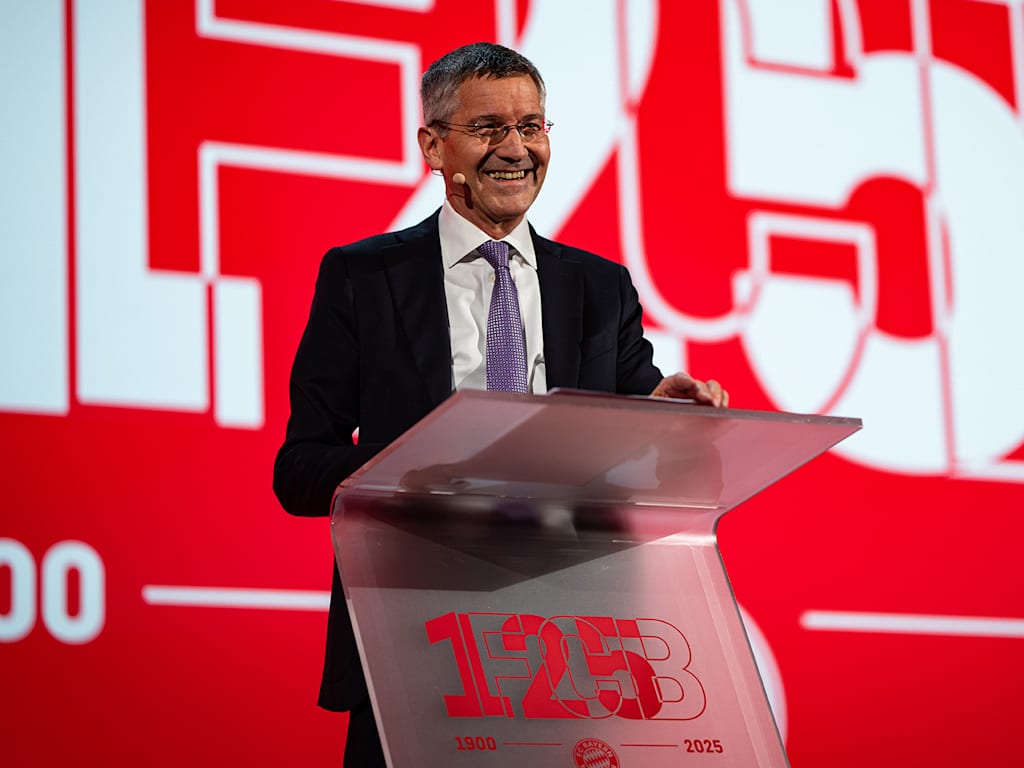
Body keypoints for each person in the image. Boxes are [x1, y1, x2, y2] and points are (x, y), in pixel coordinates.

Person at [273, 41, 728, 767]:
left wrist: (669, 413)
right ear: (432, 143)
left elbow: (638, 422)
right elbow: (298, 469)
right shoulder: (364, 277)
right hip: (412, 635)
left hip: (570, 651)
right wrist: (406, 478)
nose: (516, 149)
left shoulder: (599, 287)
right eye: (488, 128)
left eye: (533, 126)